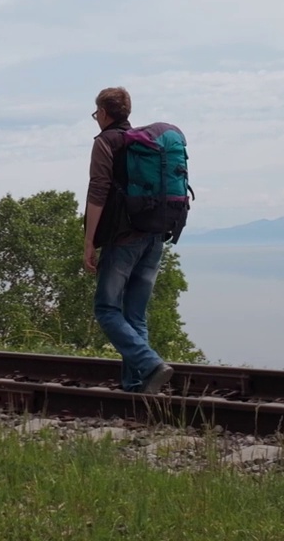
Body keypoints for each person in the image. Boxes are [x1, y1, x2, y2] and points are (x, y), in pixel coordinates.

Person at [83, 86, 175, 394]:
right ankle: (137, 385)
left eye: (97, 113)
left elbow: (97, 194)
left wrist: (89, 242)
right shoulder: (143, 143)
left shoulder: (105, 143)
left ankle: (149, 365)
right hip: (154, 235)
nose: (97, 118)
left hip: (124, 238)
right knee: (135, 314)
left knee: (107, 308)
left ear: (105, 113)